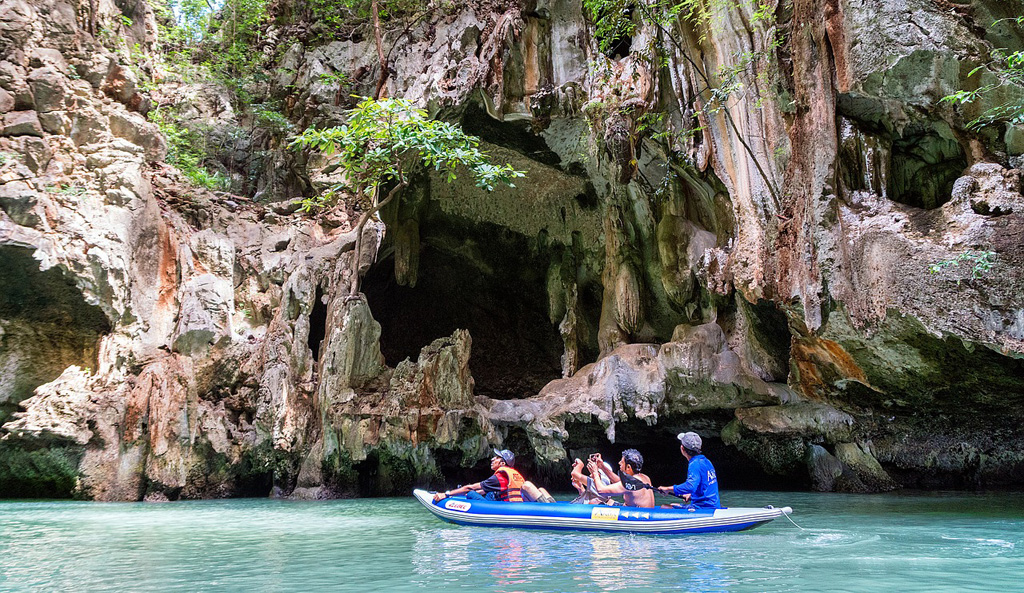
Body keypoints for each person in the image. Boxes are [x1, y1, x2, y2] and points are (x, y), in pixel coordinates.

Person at [433, 449, 556, 503]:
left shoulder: (500, 476)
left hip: (510, 506)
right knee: (489, 493)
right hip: (509, 501)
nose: (492, 459)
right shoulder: (513, 474)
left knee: (470, 493)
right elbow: (484, 490)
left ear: (502, 463)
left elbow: (471, 488)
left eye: (496, 457)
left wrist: (447, 494)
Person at [657, 432, 721, 509]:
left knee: (664, 507)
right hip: (713, 505)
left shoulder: (694, 464)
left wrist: (668, 489)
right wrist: (691, 495)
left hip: (703, 508)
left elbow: (691, 486)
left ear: (682, 448)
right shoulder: (706, 461)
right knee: (673, 504)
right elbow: (704, 486)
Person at [589, 449, 655, 508]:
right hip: (638, 511)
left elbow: (601, 491)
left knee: (593, 502)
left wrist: (595, 473)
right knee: (609, 501)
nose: (619, 463)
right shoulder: (645, 477)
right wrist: (602, 466)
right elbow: (620, 483)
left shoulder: (630, 482)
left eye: (622, 462)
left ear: (628, 467)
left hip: (636, 517)